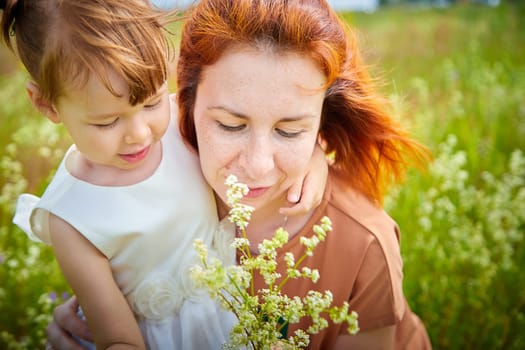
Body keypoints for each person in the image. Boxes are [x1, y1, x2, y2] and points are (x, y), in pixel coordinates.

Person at [48, 0, 434, 349]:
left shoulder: (365, 246)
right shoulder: (146, 152)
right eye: (231, 125)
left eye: (289, 130)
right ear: (184, 102)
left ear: (321, 120)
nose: (258, 165)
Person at [1, 0, 327, 349]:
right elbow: (118, 340)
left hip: (231, 315)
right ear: (46, 104)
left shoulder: (178, 121)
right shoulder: (71, 217)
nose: (139, 133)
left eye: (152, 102)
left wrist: (315, 158)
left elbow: (266, 137)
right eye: (107, 121)